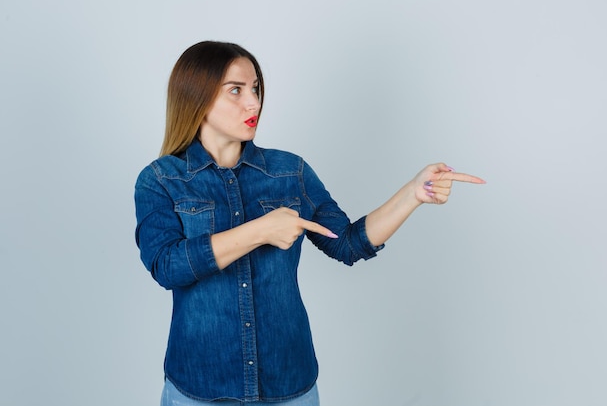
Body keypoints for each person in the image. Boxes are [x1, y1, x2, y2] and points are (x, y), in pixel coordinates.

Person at [134, 41, 485, 406]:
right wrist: (260, 230)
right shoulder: (160, 180)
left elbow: (347, 243)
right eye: (235, 91)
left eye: (255, 88)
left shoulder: (290, 172)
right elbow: (166, 266)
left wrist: (413, 193)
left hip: (288, 383)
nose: (253, 102)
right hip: (200, 387)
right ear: (197, 97)